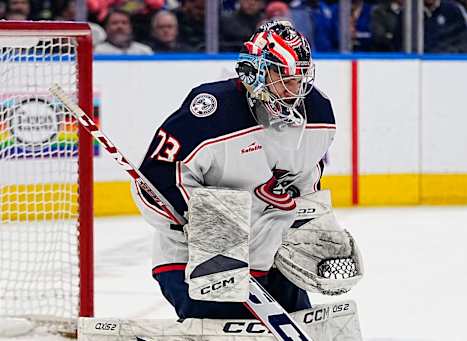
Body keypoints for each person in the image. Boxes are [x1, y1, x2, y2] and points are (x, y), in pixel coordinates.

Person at [132, 20, 362, 321]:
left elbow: (304, 187)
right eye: (285, 78)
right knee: (222, 327)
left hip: (271, 256)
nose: (296, 91)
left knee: (298, 326)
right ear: (256, 71)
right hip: (193, 258)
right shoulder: (212, 112)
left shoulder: (317, 112)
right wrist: (201, 225)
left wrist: (312, 228)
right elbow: (154, 182)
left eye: (300, 78)